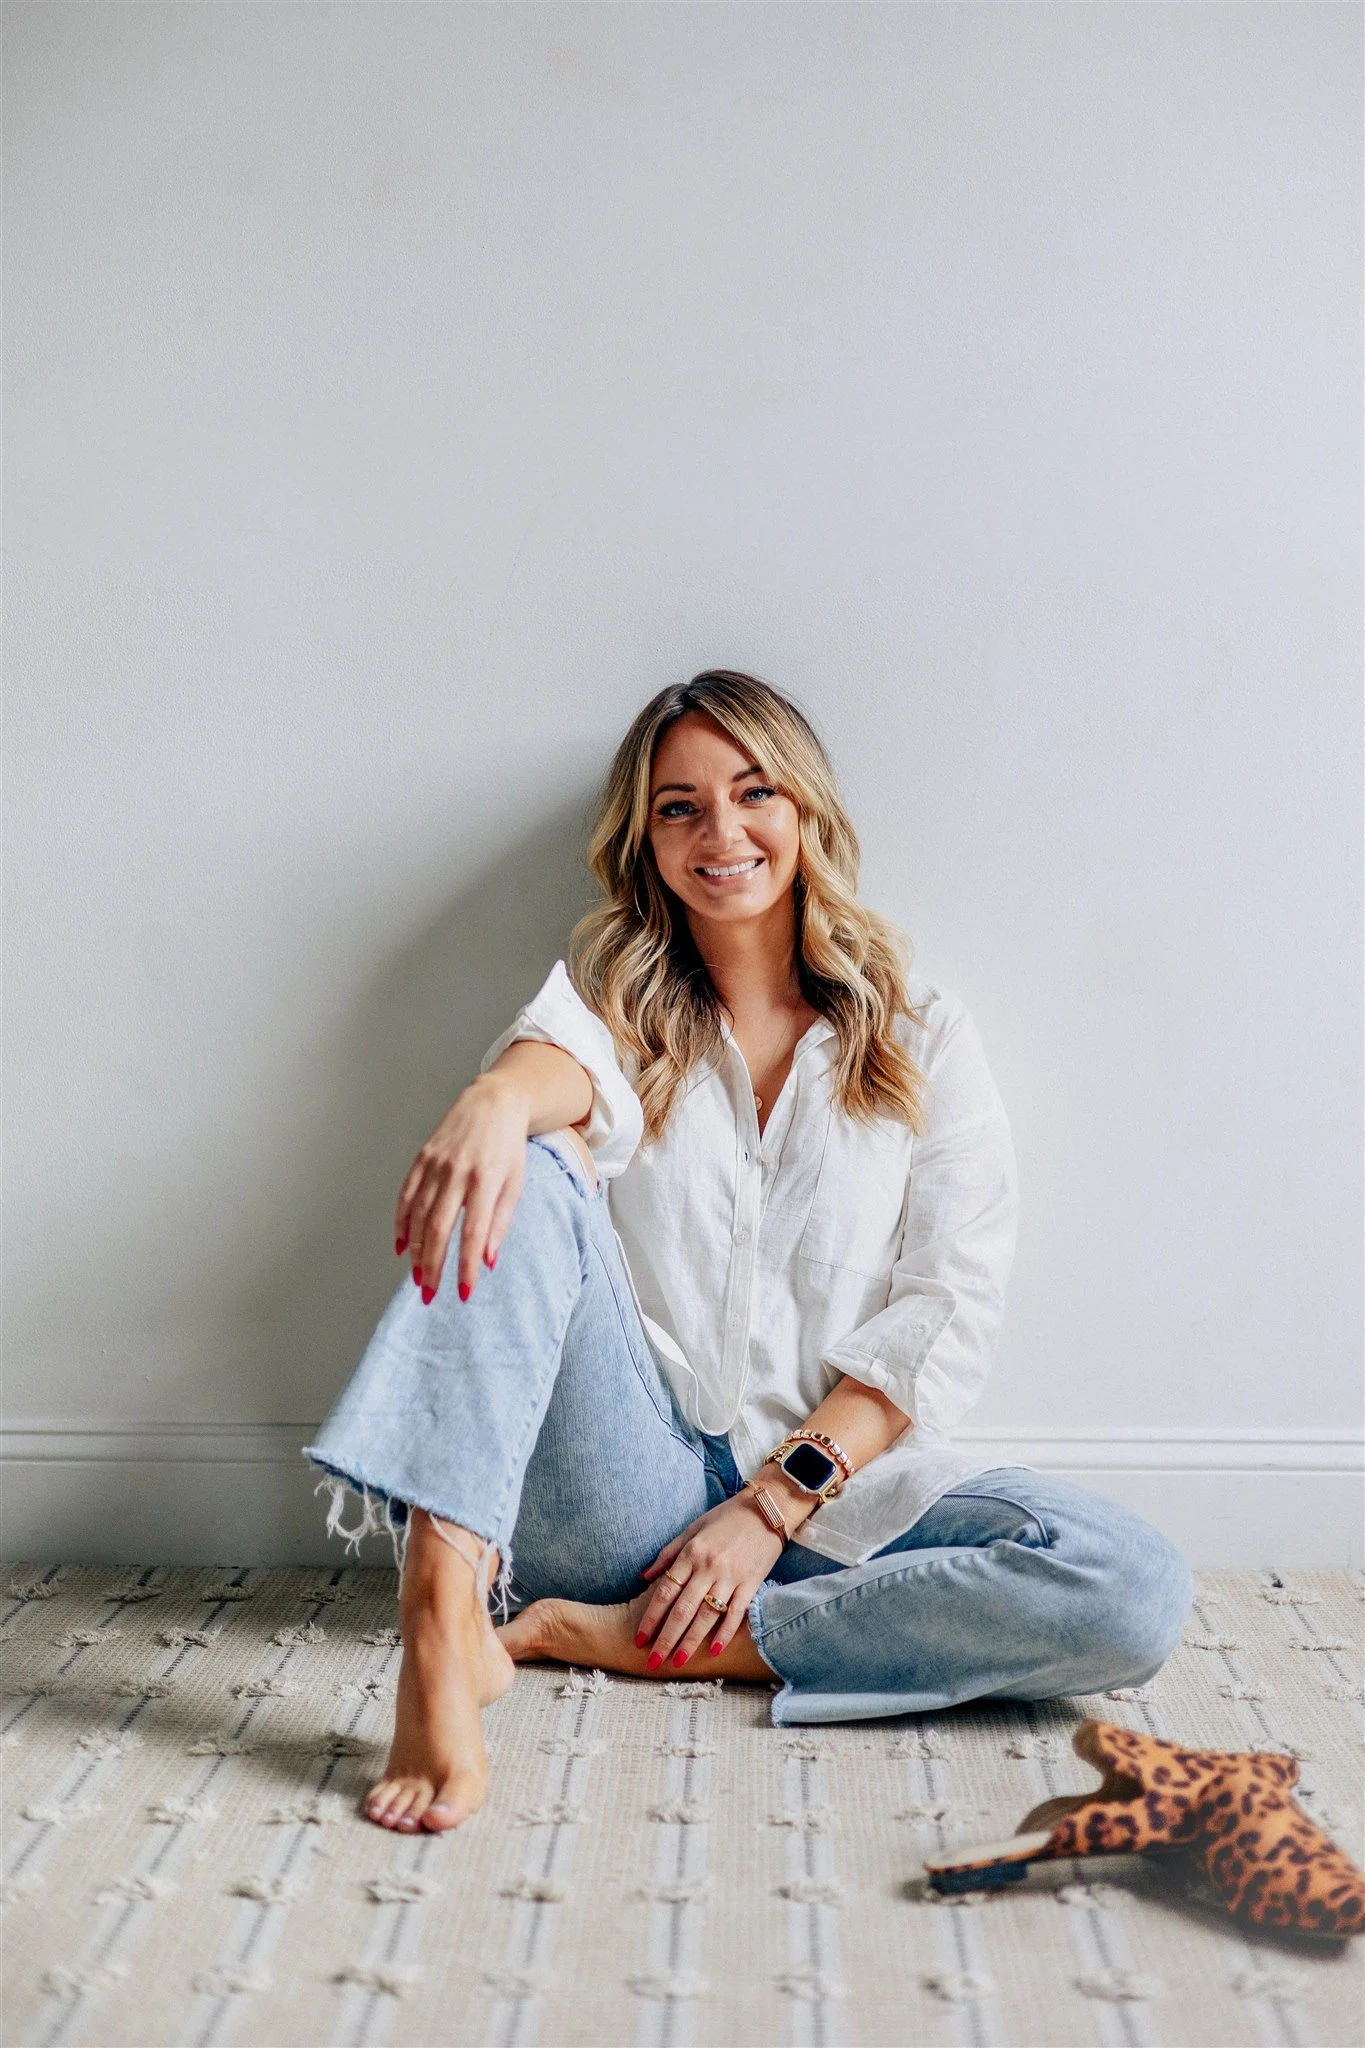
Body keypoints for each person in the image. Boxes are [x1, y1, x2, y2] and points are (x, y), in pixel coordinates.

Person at [305, 669, 1194, 1835]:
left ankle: (679, 1645)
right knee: (536, 1161)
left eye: (753, 791)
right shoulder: (620, 1000)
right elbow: (564, 1066)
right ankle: (443, 1613)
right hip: (624, 1493)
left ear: (806, 812)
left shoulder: (919, 1029)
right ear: (646, 840)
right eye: (679, 806)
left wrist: (773, 1503)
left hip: (840, 1502)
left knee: (1130, 1583)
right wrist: (489, 1100)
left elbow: (949, 1303)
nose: (719, 831)